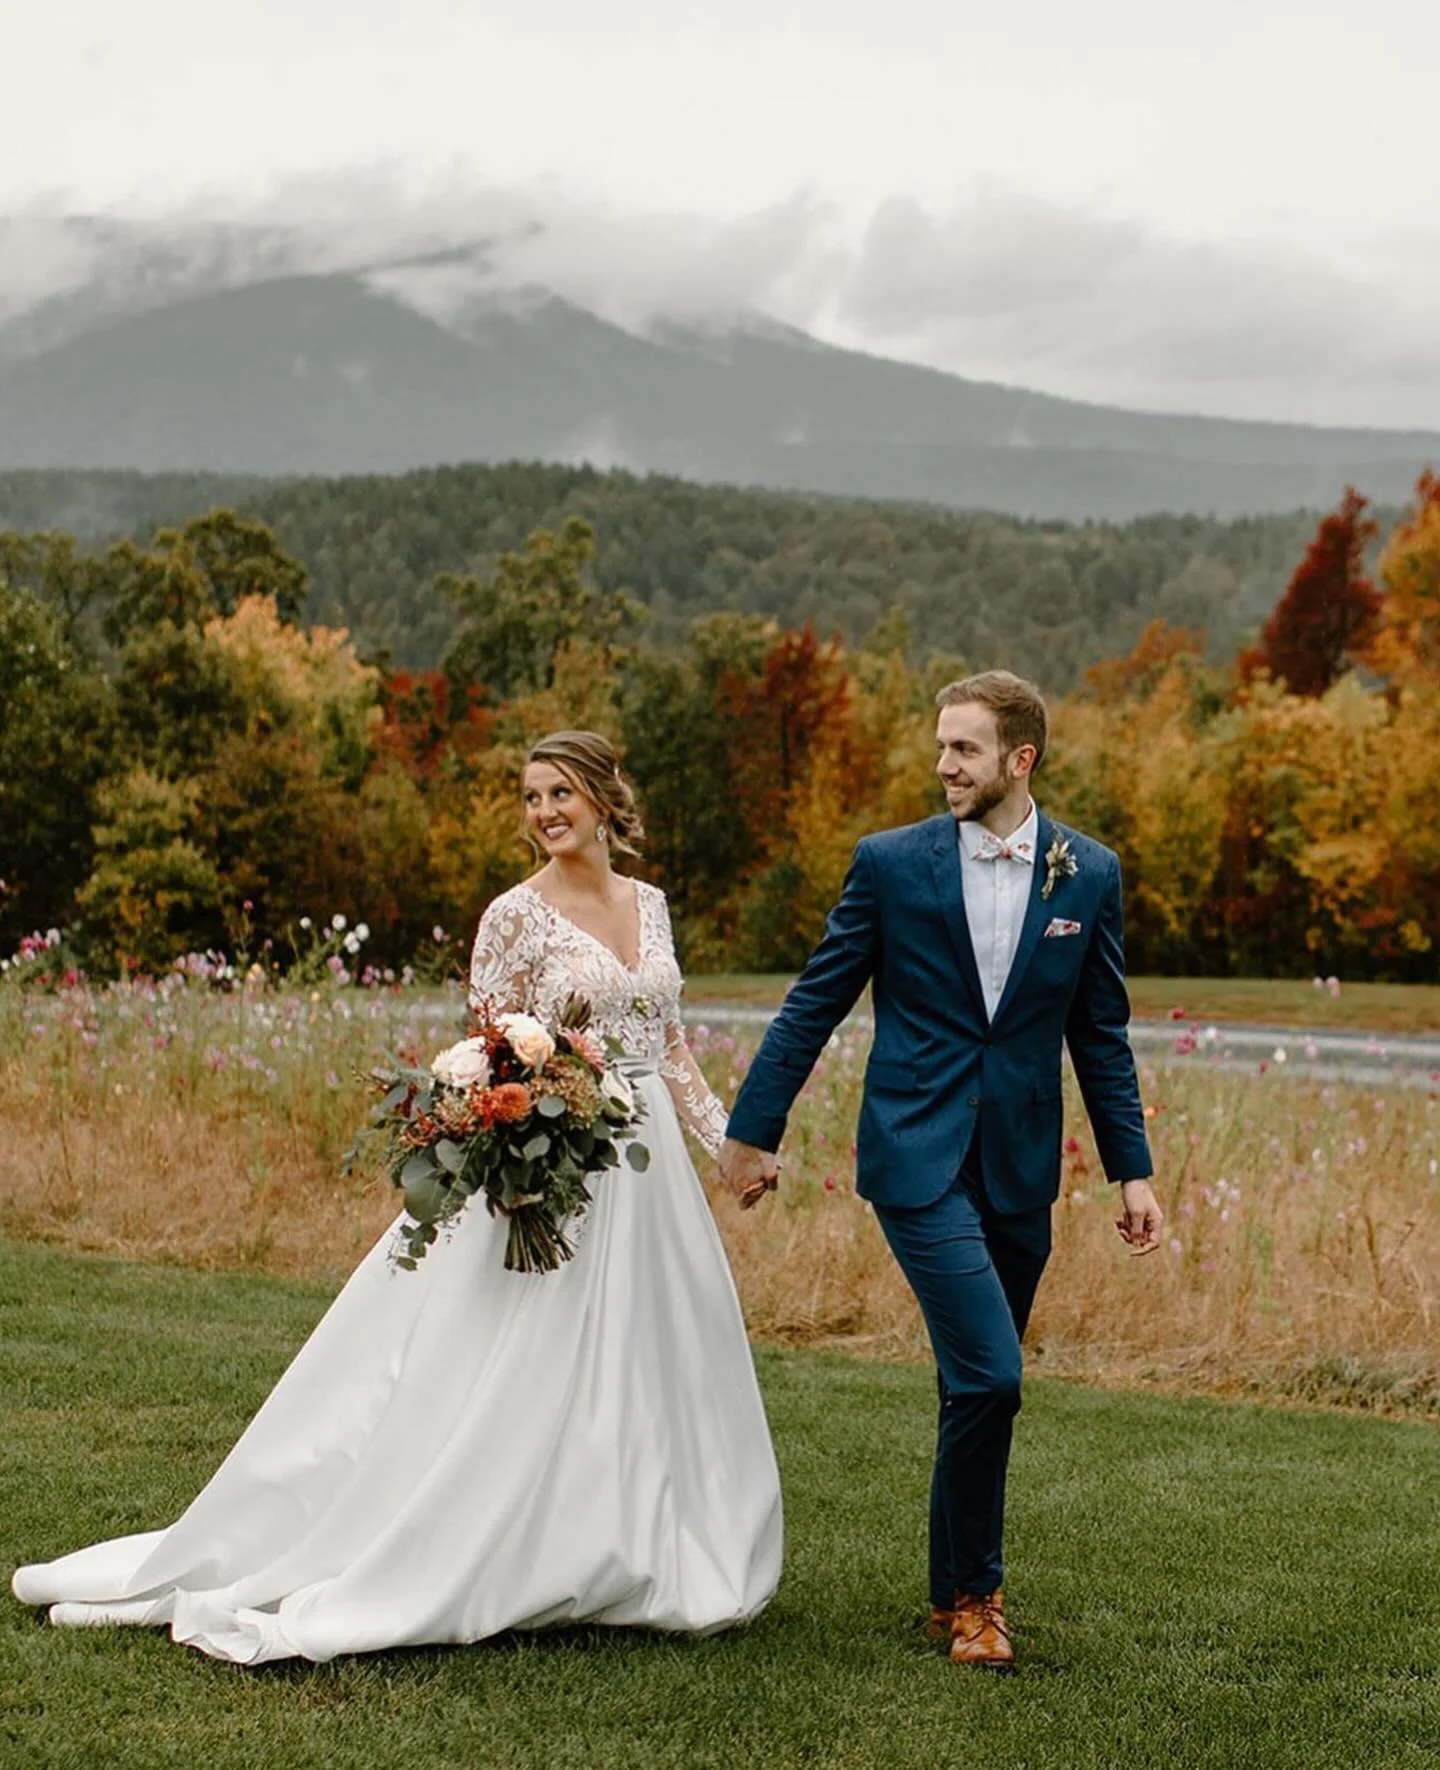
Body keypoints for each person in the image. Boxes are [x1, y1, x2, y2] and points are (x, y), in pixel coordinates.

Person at [12, 730, 782, 1664]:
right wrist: (510, 1155)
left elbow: (665, 1047)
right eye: (530, 797)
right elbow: (488, 1052)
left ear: (604, 797)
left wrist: (731, 1148)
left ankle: (634, 1543)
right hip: (557, 1164)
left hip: (645, 1160)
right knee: (525, 1364)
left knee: (648, 1357)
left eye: (559, 793)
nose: (542, 813)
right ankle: (489, 1544)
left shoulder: (650, 905)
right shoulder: (513, 915)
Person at [719, 670, 1161, 1672]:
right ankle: (978, 1598)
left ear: (1020, 758)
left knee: (974, 1389)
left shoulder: (1086, 875)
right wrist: (757, 1131)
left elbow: (1101, 1034)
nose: (943, 765)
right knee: (996, 1373)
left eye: (963, 749)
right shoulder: (891, 865)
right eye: (941, 747)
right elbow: (814, 1002)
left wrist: (1131, 1170)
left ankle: (940, 1590)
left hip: (1019, 1166)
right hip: (915, 1156)